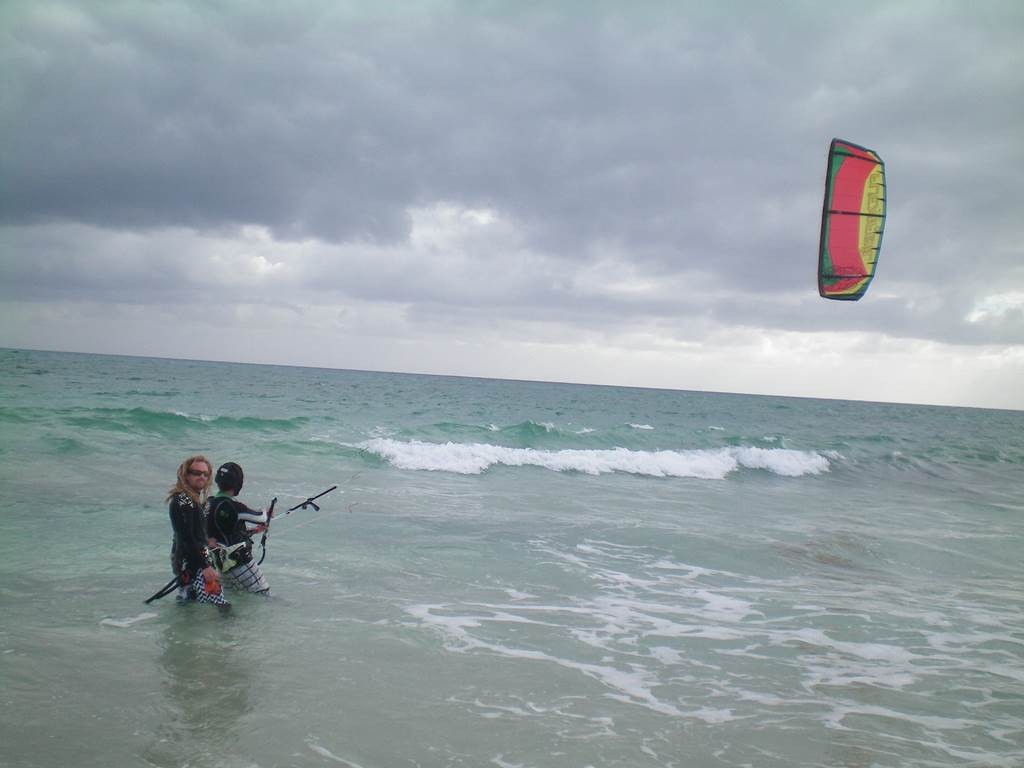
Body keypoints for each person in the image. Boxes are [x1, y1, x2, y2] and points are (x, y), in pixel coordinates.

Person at [166, 455, 228, 606]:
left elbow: (196, 535)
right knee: (221, 607)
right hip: (193, 563)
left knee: (190, 606)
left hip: (193, 561)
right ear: (186, 475)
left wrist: (209, 543)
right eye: (196, 473)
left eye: (205, 474)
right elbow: (186, 537)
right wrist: (205, 567)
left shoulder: (193, 500)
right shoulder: (183, 500)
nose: (202, 477)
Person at [206, 462, 272, 595]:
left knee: (233, 598)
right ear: (238, 484)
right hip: (241, 564)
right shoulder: (233, 506)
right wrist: (267, 512)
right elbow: (261, 518)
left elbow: (223, 531)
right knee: (263, 594)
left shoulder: (208, 503)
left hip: (221, 567)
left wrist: (254, 530)